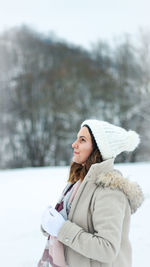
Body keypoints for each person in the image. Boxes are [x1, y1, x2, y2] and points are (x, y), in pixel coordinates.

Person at [38, 119, 144, 267]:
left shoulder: (109, 191)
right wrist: (49, 225)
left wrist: (62, 229)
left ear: (98, 148)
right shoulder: (76, 183)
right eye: (77, 138)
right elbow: (66, 228)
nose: (74, 144)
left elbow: (107, 249)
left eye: (82, 140)